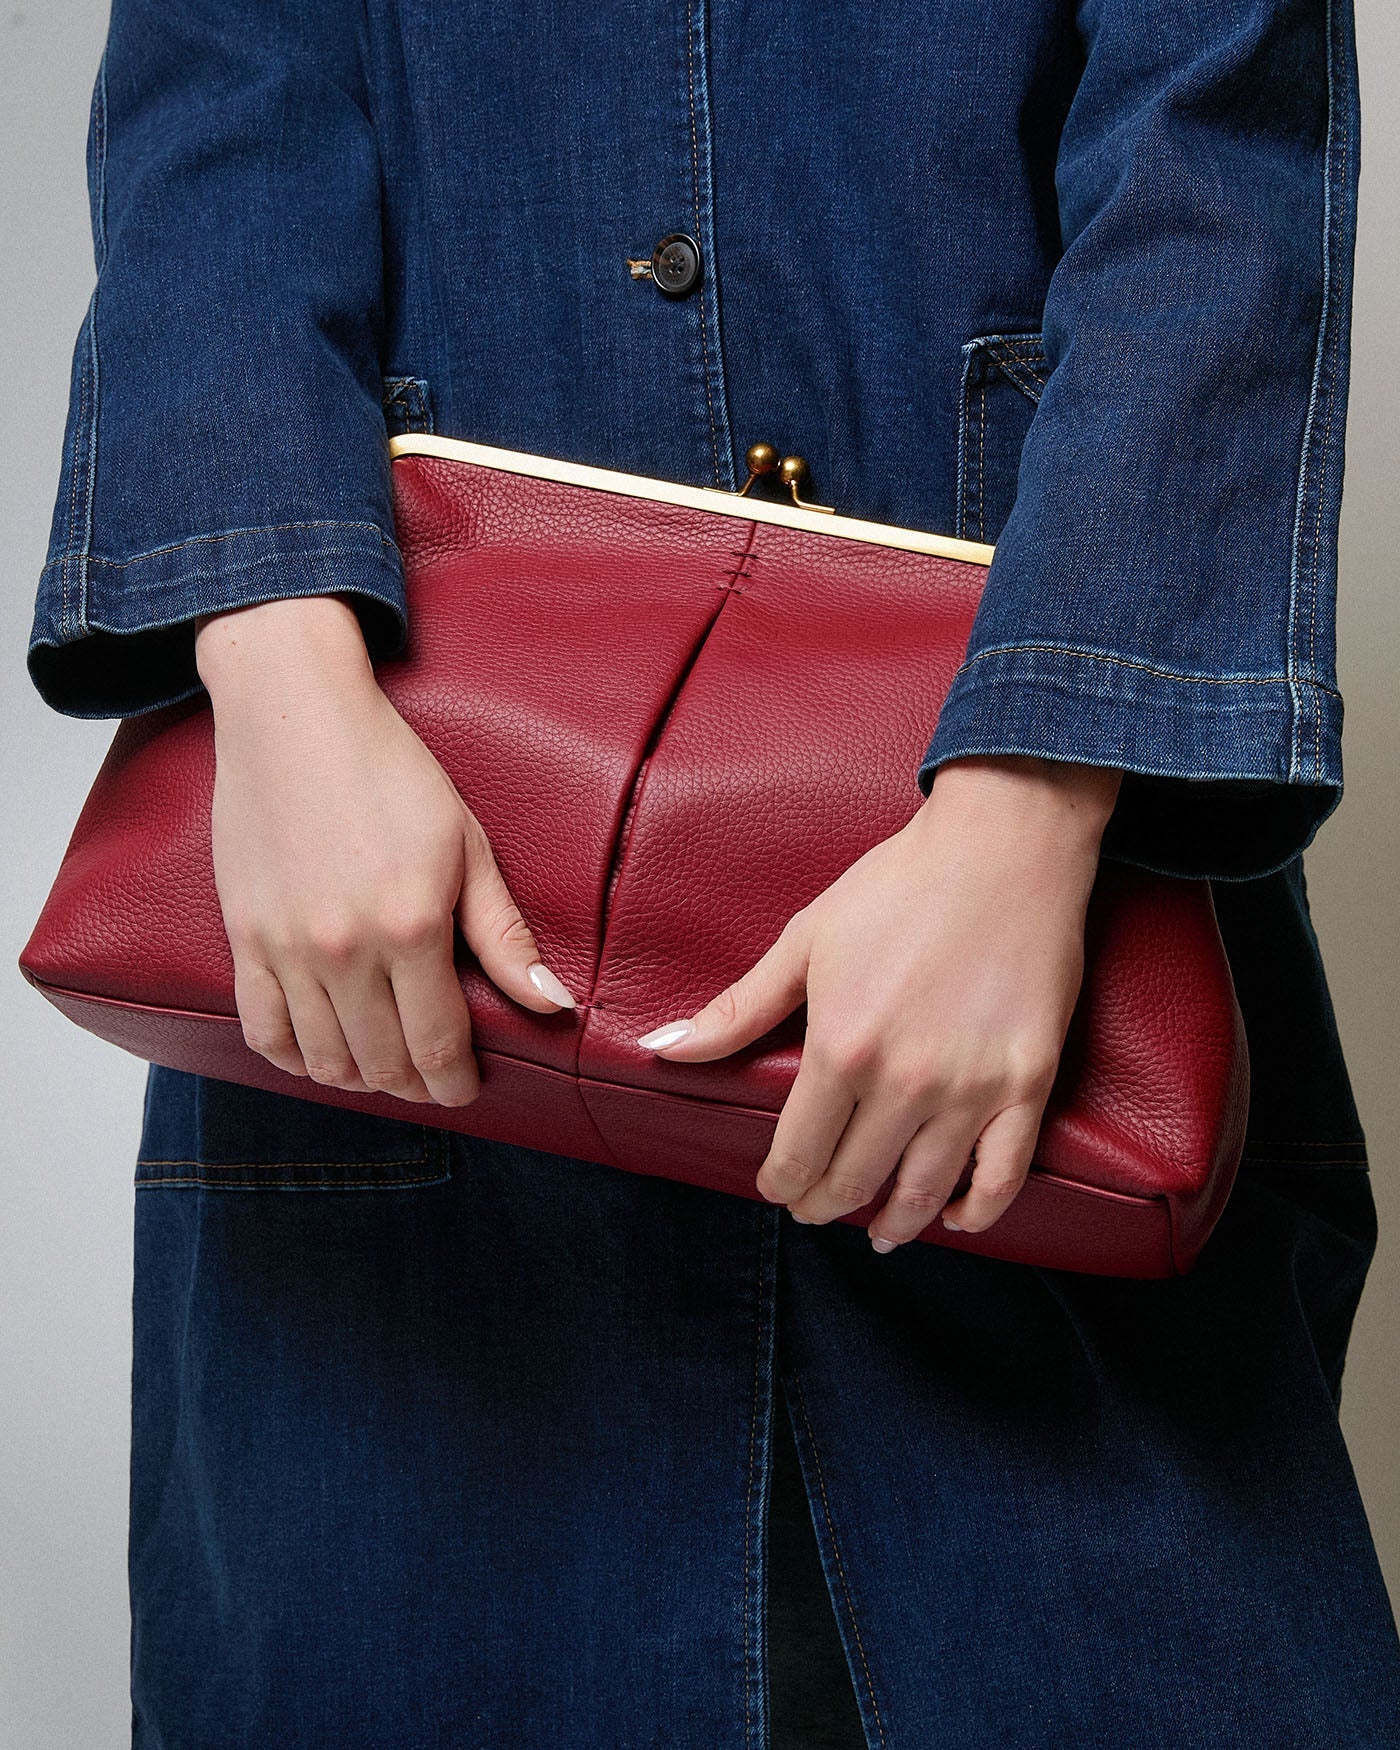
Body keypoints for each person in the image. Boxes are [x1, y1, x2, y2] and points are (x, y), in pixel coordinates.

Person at [26, 0, 1400, 1744]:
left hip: (1032, 931)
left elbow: (1215, 146)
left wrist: (1032, 797)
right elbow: (221, 92)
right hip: (386, 944)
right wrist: (280, 678)